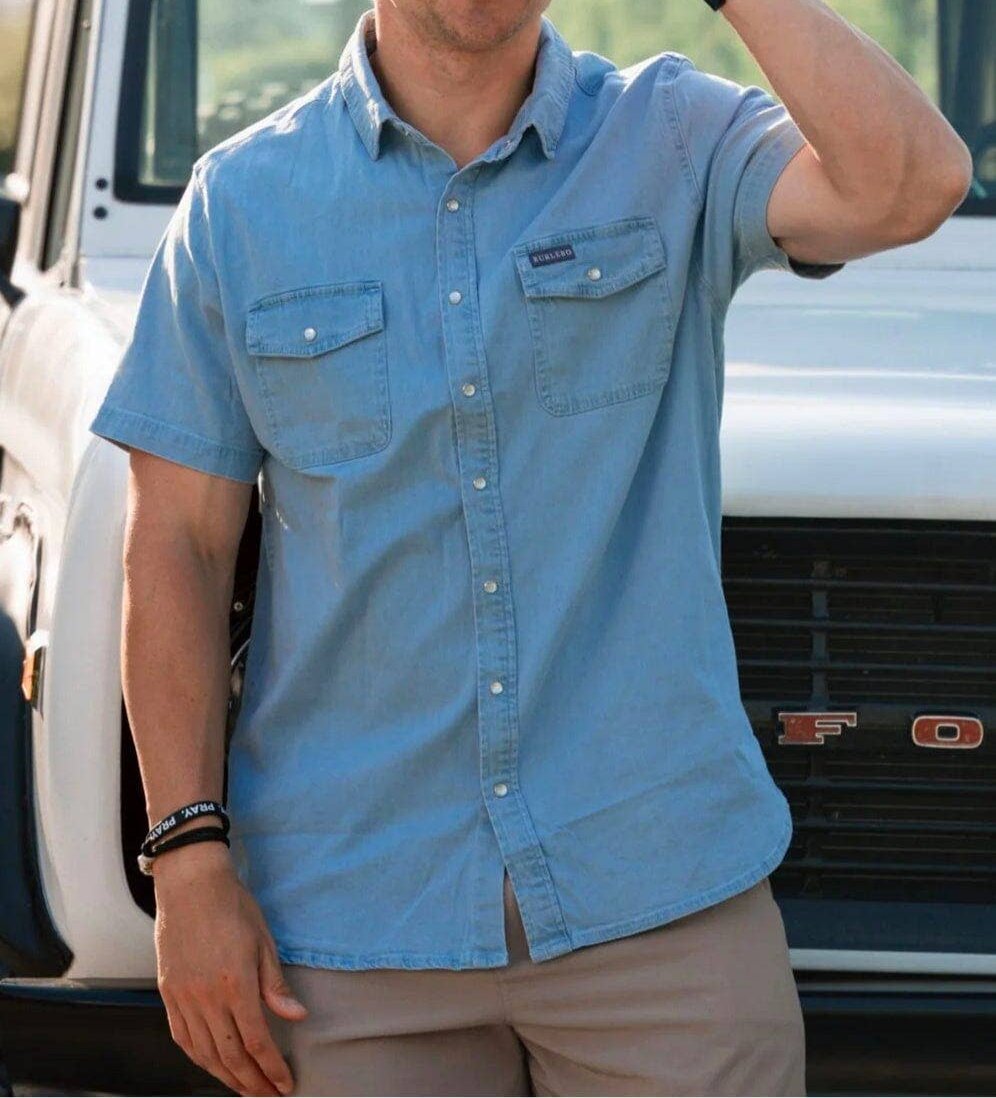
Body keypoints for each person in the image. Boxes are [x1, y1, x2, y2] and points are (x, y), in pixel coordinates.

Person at [89, 0, 971, 1094]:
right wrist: (188, 861)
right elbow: (175, 546)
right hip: (349, 929)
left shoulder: (676, 136)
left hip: (660, 905)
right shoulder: (240, 204)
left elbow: (912, 184)